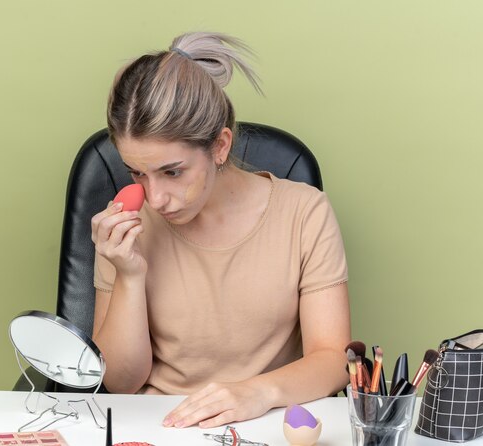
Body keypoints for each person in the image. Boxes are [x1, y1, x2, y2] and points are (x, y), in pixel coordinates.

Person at [90, 32, 350, 429]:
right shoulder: (125, 227)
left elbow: (333, 360)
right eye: (137, 172)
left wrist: (256, 392)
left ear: (220, 146)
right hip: (157, 426)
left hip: (264, 422)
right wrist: (128, 275)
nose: (155, 197)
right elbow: (122, 384)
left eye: (172, 172)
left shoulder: (304, 212)